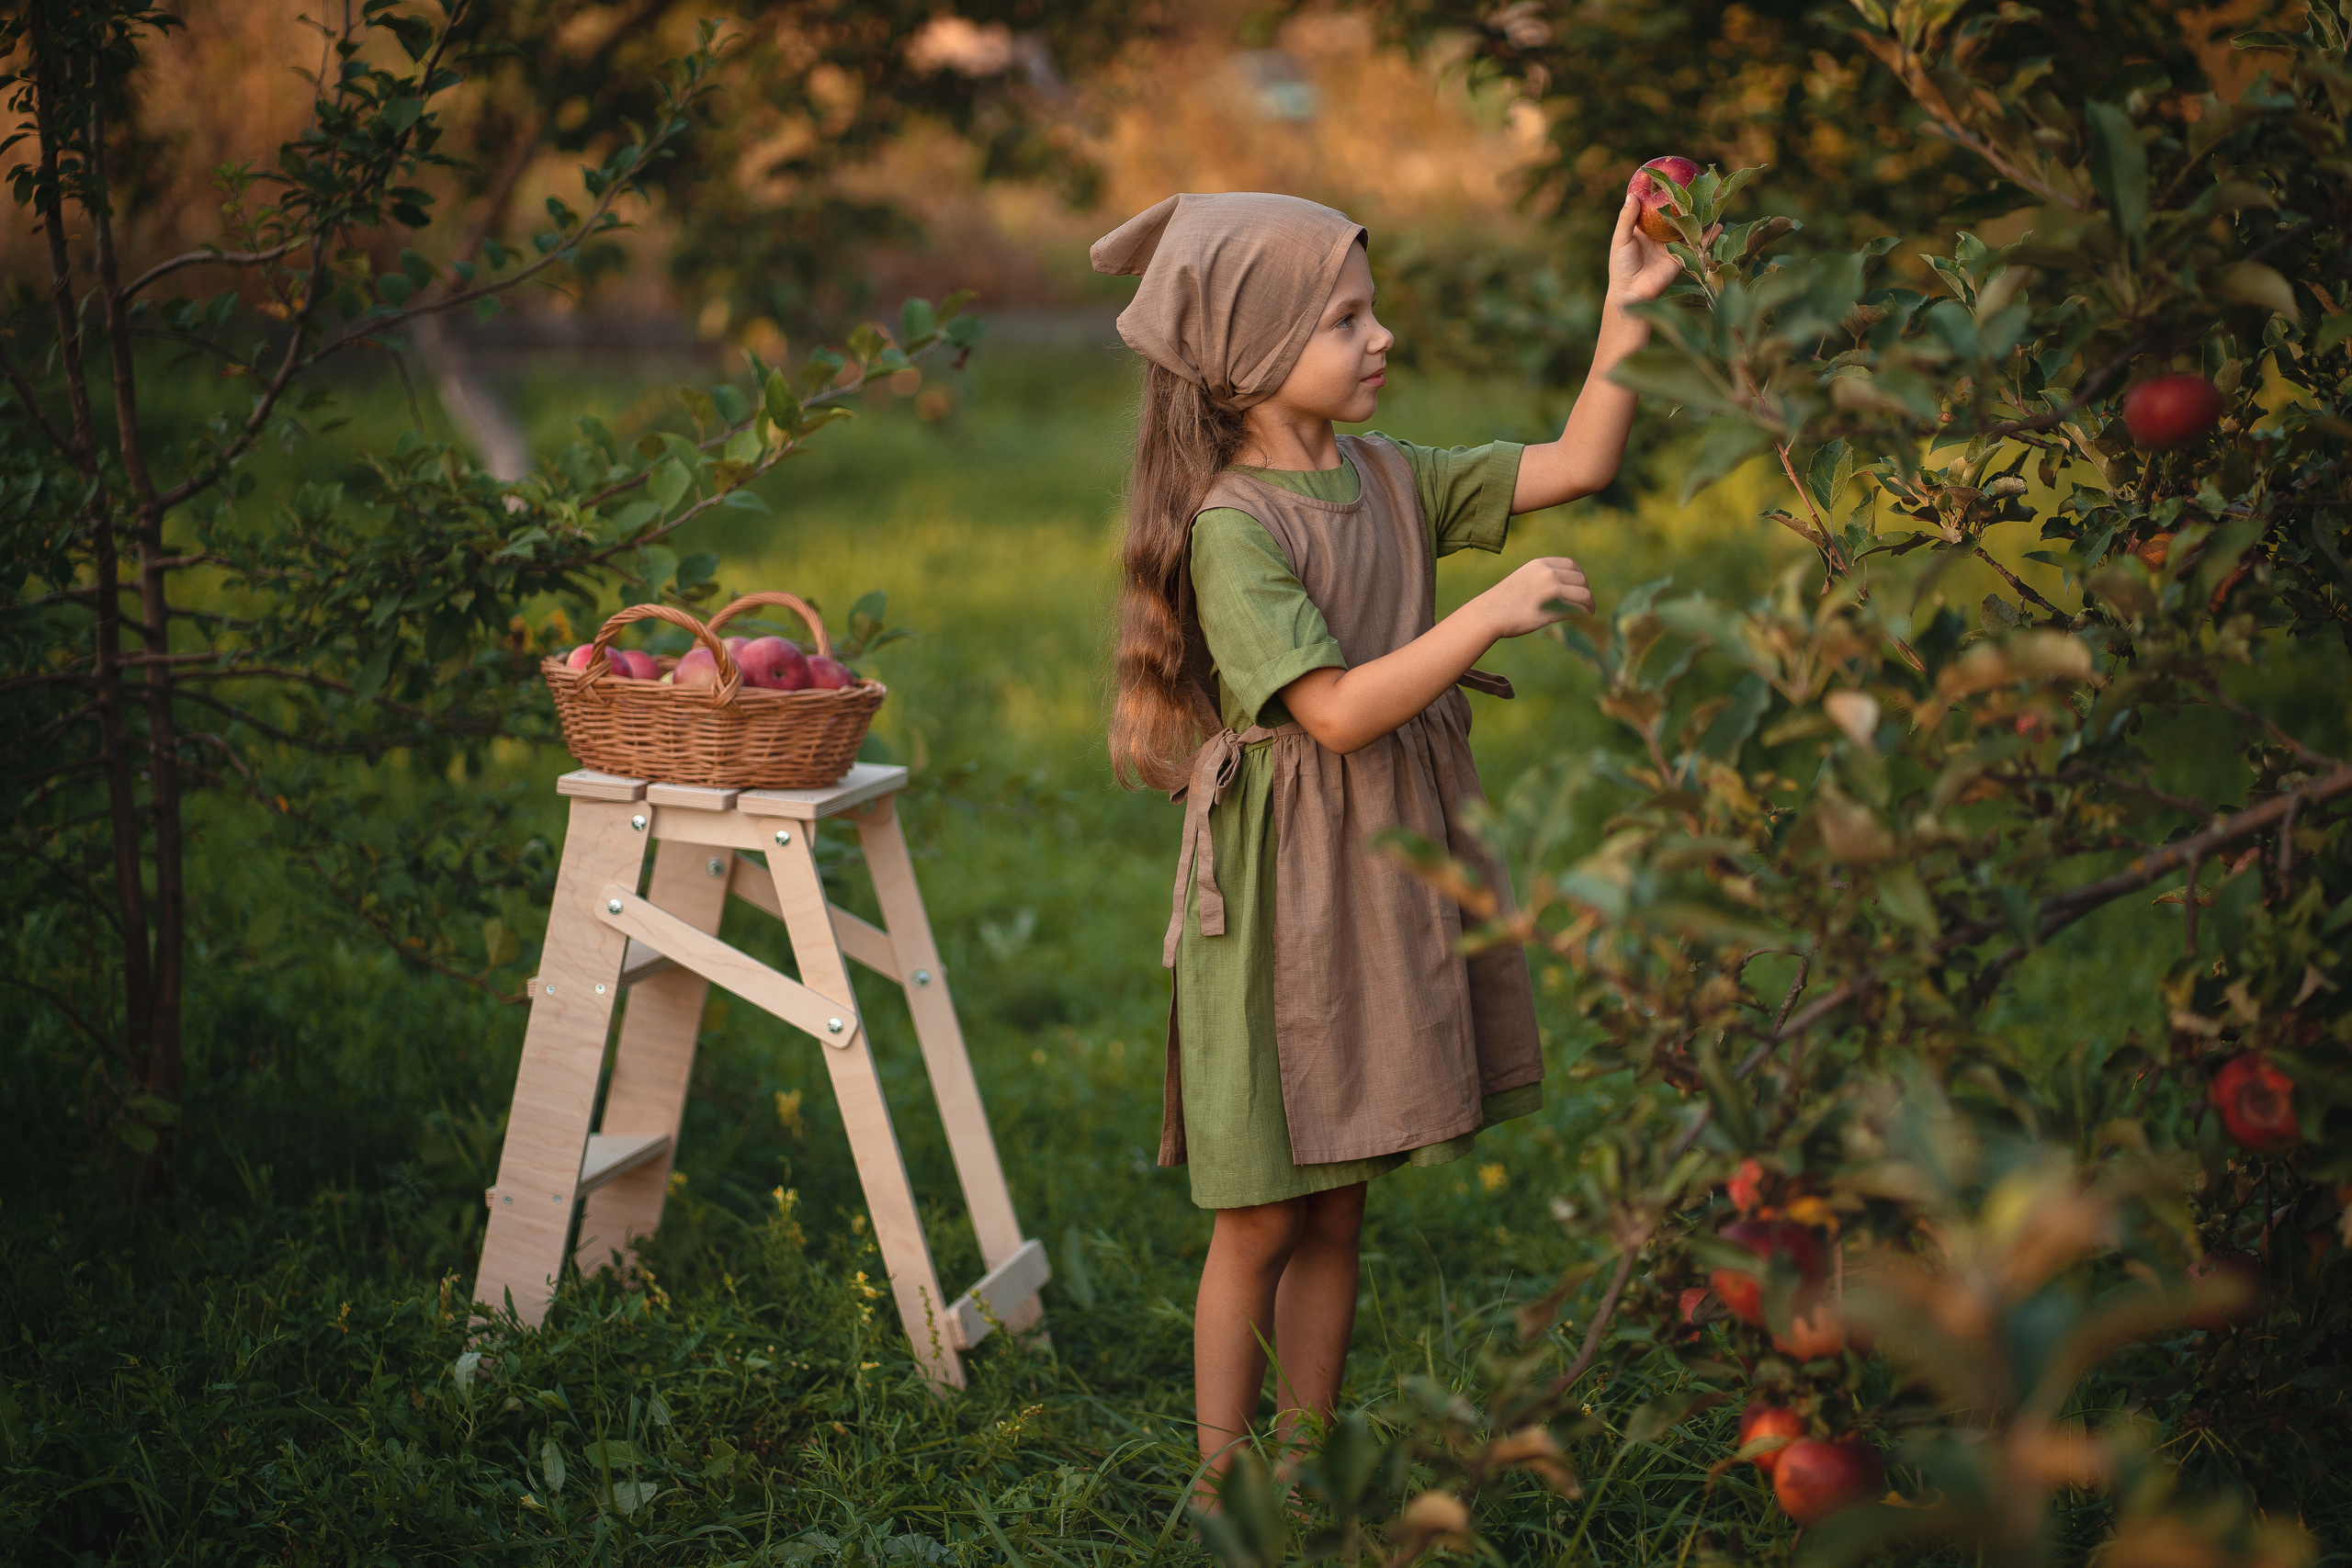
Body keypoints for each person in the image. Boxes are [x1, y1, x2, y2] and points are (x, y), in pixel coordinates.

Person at [1092, 185, 1687, 1501]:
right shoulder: (1236, 531)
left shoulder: (1388, 477)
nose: (1384, 339)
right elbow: (1340, 710)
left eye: (1374, 311)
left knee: (1344, 1194)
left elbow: (1579, 461)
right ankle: (1217, 1486)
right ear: (1251, 356)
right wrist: (1488, 614)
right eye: (1347, 317)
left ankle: (1301, 1468)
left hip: (1374, 880)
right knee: (1263, 1209)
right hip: (1279, 901)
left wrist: (1625, 311)